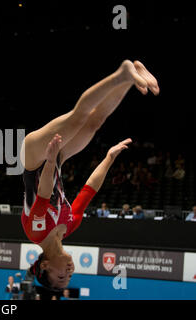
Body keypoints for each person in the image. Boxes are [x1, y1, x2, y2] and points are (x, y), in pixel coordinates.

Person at [20, 59, 159, 294]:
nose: (70, 272)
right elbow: (88, 191)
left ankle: (122, 73)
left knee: (79, 117)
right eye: (69, 277)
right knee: (94, 122)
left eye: (61, 276)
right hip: (56, 160)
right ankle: (130, 78)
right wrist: (108, 158)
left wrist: (51, 160)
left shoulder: (35, 232)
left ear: (44, 266)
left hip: (34, 158)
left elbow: (43, 196)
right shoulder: (69, 227)